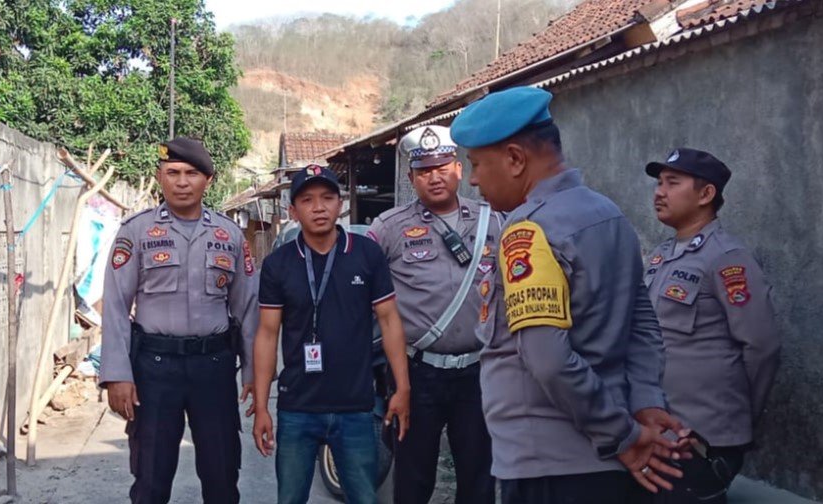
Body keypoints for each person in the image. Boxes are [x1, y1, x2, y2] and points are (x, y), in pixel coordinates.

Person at [450, 86, 685, 504]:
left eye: (477, 164)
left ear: (515, 159)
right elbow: (642, 322)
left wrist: (623, 435)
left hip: (552, 466)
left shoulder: (529, 231)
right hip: (605, 460)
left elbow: (550, 359)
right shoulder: (608, 214)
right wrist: (646, 399)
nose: (472, 179)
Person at [100, 137, 259, 504]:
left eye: (191, 173)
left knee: (221, 475)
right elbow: (115, 307)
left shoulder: (229, 235)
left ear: (209, 180)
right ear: (159, 177)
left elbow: (247, 307)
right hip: (154, 369)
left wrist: (253, 371)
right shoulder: (135, 232)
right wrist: (117, 375)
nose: (182, 181)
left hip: (214, 367)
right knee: (151, 478)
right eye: (172, 172)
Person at [251, 165, 411, 504]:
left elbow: (389, 320)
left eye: (327, 198)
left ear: (341, 205)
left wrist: (403, 387)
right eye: (307, 200)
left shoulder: (366, 254)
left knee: (364, 497)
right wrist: (262, 406)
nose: (319, 207)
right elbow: (266, 334)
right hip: (297, 407)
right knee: (290, 498)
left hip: (356, 406)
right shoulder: (279, 264)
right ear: (293, 211)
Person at [367, 125, 499, 504]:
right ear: (411, 178)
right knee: (413, 476)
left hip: (479, 371)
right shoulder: (388, 228)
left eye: (442, 167)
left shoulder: (494, 222)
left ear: (458, 169)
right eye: (424, 170)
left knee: (479, 477)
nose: (434, 177)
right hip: (415, 372)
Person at [640, 148, 781, 503]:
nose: (660, 192)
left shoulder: (726, 258)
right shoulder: (660, 257)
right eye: (659, 183)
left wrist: (739, 420)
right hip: (659, 430)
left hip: (702, 439)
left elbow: (761, 346)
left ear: (706, 195)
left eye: (673, 183)